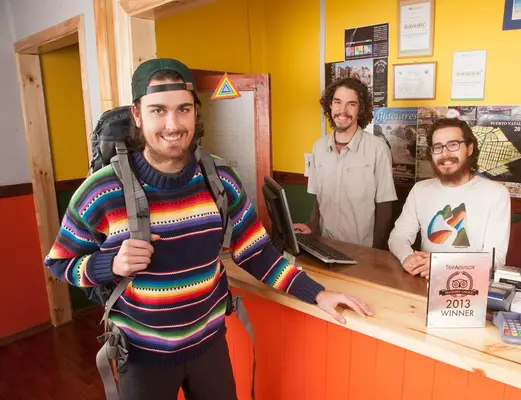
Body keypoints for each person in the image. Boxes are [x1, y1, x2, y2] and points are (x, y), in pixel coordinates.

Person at [43, 58, 372, 400]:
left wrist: (317, 293)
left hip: (209, 348)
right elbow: (59, 262)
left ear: (195, 113)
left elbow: (257, 252)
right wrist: (110, 264)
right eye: (158, 110)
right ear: (137, 115)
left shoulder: (220, 179)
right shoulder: (102, 191)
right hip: (142, 357)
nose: (173, 124)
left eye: (183, 109)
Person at [388, 118, 511, 279]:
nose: (445, 154)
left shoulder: (496, 193)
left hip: (470, 282)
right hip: (425, 281)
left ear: (470, 148)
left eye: (453, 144)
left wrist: (441, 265)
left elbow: (495, 259)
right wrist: (408, 257)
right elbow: (398, 237)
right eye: (437, 147)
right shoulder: (420, 190)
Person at [293, 77, 397, 249]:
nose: (343, 110)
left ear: (360, 109)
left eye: (351, 104)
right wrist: (311, 225)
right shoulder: (319, 147)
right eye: (338, 102)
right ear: (330, 105)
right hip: (325, 245)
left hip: (361, 249)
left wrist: (375, 251)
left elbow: (384, 205)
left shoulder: (377, 148)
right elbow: (319, 198)